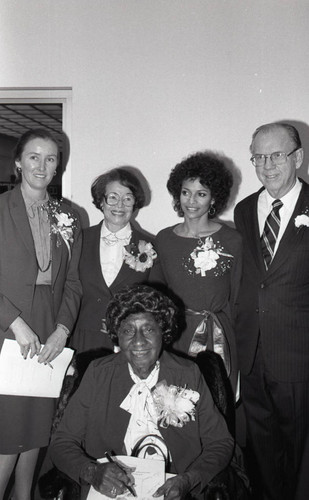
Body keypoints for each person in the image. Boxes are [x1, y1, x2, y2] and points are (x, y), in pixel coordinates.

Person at [50, 284, 234, 500]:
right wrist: (92, 472)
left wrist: (188, 479)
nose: (138, 341)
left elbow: (220, 442)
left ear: (162, 332)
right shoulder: (98, 374)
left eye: (148, 329)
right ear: (117, 335)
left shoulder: (188, 374)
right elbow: (61, 442)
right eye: (128, 330)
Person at [0, 129, 82, 500]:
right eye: (34, 156)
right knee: (6, 435)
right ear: (18, 162)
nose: (42, 165)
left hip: (49, 332)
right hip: (6, 330)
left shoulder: (69, 215)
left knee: (36, 429)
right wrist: (15, 324)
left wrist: (63, 330)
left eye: (51, 159)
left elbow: (75, 282)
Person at [234, 122, 309, 500]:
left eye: (276, 155)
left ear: (297, 157)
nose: (267, 165)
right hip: (252, 353)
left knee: (299, 450)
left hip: (298, 353)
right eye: (258, 157)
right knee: (260, 446)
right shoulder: (245, 209)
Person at [150, 152, 242, 396]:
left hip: (222, 334)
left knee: (220, 401)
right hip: (177, 335)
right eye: (185, 192)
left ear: (214, 199)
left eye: (201, 194)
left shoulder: (232, 240)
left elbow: (238, 296)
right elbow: (156, 295)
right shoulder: (164, 239)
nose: (191, 201)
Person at [70, 167, 156, 354]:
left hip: (131, 343)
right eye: (113, 197)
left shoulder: (151, 246)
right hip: (84, 339)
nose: (120, 205)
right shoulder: (79, 239)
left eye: (127, 198)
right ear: (101, 201)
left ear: (135, 204)